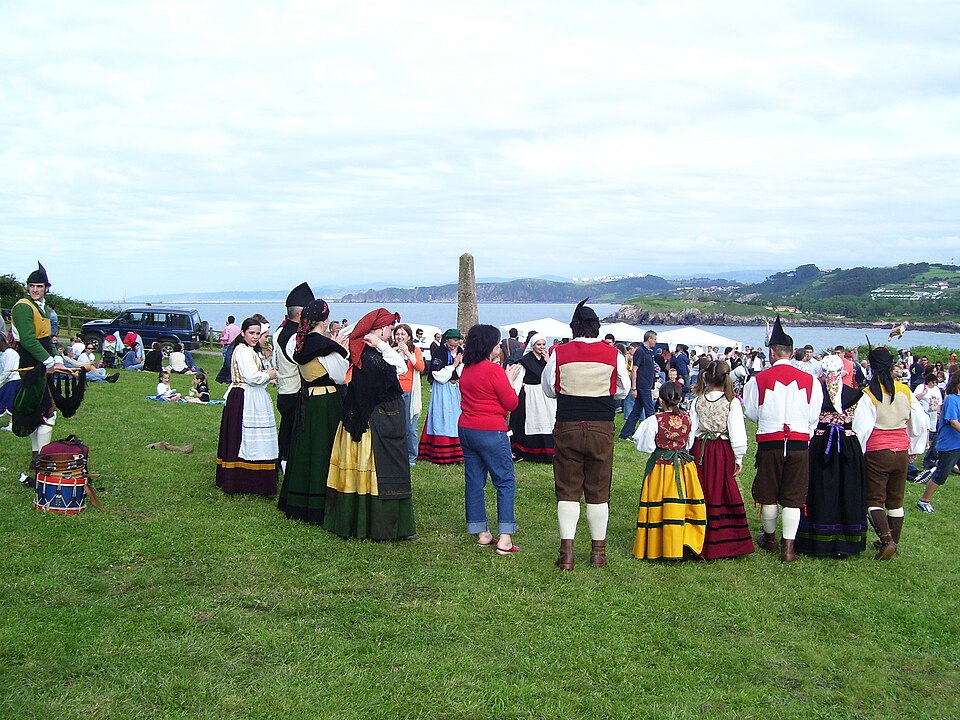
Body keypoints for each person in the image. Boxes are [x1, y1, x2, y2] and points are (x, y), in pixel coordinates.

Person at [542, 299, 630, 570]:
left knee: (568, 489)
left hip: (568, 425)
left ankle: (567, 553)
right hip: (601, 427)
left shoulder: (560, 352)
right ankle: (598, 553)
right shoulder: (612, 353)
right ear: (597, 328)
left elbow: (548, 388)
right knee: (598, 489)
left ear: (574, 327)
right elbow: (622, 390)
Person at [324, 308, 415, 540]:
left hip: (366, 419)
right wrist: (383, 347)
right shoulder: (371, 355)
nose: (393, 333)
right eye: (390, 328)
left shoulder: (368, 351)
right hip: (375, 423)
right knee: (381, 471)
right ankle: (375, 524)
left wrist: (382, 346)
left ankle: (355, 520)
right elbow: (402, 367)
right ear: (381, 329)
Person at [742, 316, 823, 563]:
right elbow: (813, 414)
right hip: (799, 442)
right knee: (793, 496)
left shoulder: (758, 380)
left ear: (773, 352)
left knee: (768, 492)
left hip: (770, 442)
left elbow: (751, 411)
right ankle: (788, 548)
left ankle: (770, 538)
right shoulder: (811, 381)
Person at [278, 298, 350, 525]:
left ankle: (298, 499)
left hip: (306, 400)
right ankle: (321, 503)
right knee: (323, 450)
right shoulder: (325, 347)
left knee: (306, 449)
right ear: (325, 320)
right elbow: (339, 376)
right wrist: (342, 351)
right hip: (326, 402)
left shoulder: (298, 342)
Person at [852, 346, 927, 559]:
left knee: (873, 500)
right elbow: (919, 421)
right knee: (896, 500)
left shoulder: (868, 395)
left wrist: (858, 451)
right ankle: (894, 542)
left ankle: (887, 540)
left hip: (877, 451)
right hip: (901, 450)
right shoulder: (904, 391)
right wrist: (914, 447)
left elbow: (861, 429)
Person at [458, 324, 524, 554]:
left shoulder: (467, 368)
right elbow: (511, 403)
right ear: (488, 345)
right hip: (491, 430)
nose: (499, 345)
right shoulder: (494, 370)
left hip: (467, 428)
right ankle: (505, 537)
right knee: (504, 480)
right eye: (496, 342)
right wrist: (511, 381)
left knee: (474, 481)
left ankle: (482, 532)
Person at [795, 355, 868, 557]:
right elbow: (863, 427)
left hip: (820, 444)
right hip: (847, 445)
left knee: (820, 488)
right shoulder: (857, 395)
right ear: (843, 372)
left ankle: (816, 539)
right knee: (846, 489)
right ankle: (845, 541)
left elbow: (807, 421)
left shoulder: (814, 395)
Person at [631, 382, 707, 560]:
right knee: (681, 505)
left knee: (660, 503)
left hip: (661, 468)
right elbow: (689, 444)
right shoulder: (688, 418)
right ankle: (681, 542)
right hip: (683, 468)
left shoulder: (654, 420)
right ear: (679, 399)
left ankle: (657, 545)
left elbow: (644, 444)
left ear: (661, 400)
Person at [689, 360, 754, 559]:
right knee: (722, 489)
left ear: (706, 378)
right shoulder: (731, 401)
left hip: (700, 449)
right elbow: (737, 431)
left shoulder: (697, 400)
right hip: (721, 449)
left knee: (701, 488)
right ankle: (724, 541)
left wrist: (687, 449)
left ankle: (697, 535)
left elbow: (692, 429)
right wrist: (739, 456)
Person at [10, 263, 70, 476]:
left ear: (46, 288)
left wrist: (54, 356)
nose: (35, 289)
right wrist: (48, 361)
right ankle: (41, 461)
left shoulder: (41, 307)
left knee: (41, 414)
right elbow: (27, 339)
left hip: (39, 364)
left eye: (39, 286)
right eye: (32, 286)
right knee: (47, 414)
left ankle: (37, 459)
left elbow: (45, 339)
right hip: (30, 365)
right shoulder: (24, 306)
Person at [215, 318, 279, 495]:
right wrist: (269, 375)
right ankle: (244, 480)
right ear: (242, 333)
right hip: (245, 396)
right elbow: (252, 377)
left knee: (252, 437)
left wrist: (267, 373)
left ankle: (250, 480)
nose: (255, 337)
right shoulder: (242, 351)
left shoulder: (249, 351)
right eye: (251, 333)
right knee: (245, 437)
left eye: (258, 333)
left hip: (251, 395)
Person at [275, 282, 316, 470]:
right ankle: (286, 464)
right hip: (294, 392)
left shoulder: (279, 333)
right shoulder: (294, 338)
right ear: (300, 314)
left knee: (288, 430)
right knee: (292, 433)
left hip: (286, 391)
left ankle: (284, 462)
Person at [418, 329, 465, 463]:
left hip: (454, 388)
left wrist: (459, 367)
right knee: (442, 414)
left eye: (456, 344)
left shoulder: (460, 351)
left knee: (455, 416)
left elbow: (461, 370)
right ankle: (440, 451)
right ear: (446, 341)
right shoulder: (439, 352)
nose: (454, 346)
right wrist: (453, 365)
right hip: (442, 388)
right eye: (451, 344)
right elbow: (437, 374)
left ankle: (457, 452)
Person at [916, 371, 960, 513]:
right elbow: (953, 421)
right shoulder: (951, 399)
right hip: (950, 445)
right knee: (941, 474)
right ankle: (924, 501)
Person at [509, 333, 557, 462]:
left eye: (543, 344)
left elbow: (553, 376)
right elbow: (518, 380)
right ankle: (529, 452)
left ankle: (550, 452)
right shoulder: (525, 361)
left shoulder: (547, 359)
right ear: (533, 345)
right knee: (530, 421)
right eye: (538, 345)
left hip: (545, 395)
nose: (541, 347)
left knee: (549, 420)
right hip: (531, 395)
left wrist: (549, 361)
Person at [393, 323, 425, 466]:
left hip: (409, 391)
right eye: (397, 334)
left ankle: (411, 456)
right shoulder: (391, 350)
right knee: (395, 425)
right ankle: (396, 454)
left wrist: (407, 353)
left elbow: (420, 367)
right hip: (394, 391)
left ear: (409, 337)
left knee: (410, 427)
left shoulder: (415, 350)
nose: (399, 337)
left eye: (403, 334)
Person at [619, 330, 658, 439]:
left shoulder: (649, 352)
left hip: (646, 385)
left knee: (636, 411)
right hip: (642, 386)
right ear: (649, 339)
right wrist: (634, 387)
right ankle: (654, 434)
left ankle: (625, 433)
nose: (655, 341)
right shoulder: (641, 351)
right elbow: (635, 369)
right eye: (654, 339)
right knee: (650, 411)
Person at [0, 334, 21, 431]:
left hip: (15, 380)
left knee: (9, 401)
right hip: (10, 380)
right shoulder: (4, 354)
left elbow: (8, 370)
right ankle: (11, 423)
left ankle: (12, 424)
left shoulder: (10, 353)